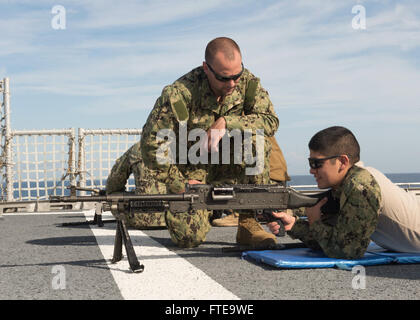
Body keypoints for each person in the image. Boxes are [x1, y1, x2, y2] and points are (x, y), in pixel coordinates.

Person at [109, 36, 289, 248]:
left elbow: (270, 120)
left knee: (255, 140)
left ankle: (248, 223)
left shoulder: (249, 84)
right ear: (206, 68)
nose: (232, 84)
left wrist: (226, 122)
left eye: (237, 75)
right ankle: (203, 212)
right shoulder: (180, 93)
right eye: (224, 78)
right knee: (188, 239)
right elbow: (152, 144)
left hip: (231, 166)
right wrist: (179, 185)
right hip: (191, 171)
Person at [268, 126, 420, 259]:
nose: (311, 170)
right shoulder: (349, 183)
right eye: (310, 163)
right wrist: (294, 225)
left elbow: (347, 251)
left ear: (342, 162)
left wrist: (315, 222)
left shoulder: (360, 187)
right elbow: (331, 239)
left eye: (316, 163)